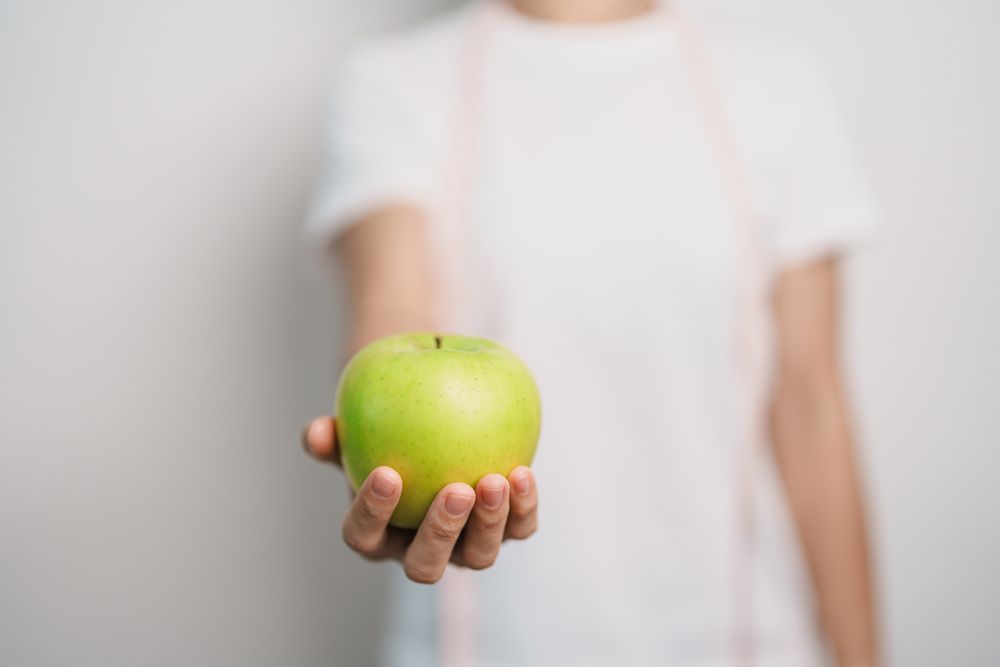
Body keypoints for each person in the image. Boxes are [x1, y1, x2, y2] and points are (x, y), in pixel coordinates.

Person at [301, 0, 879, 665]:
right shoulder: (394, 81)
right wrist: (388, 473)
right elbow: (391, 313)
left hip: (750, 638)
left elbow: (811, 406)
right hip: (483, 642)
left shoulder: (775, 85)